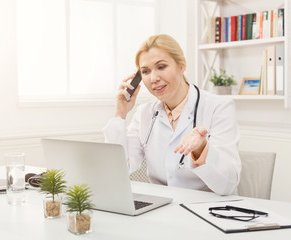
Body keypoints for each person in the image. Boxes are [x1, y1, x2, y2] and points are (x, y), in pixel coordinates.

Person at [103, 34, 241, 196]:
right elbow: (118, 169)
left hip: (208, 209)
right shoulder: (145, 113)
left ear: (181, 66)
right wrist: (121, 113)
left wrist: (201, 149)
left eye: (161, 67)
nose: (154, 78)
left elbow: (228, 185)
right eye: (145, 71)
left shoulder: (218, 107)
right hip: (163, 208)